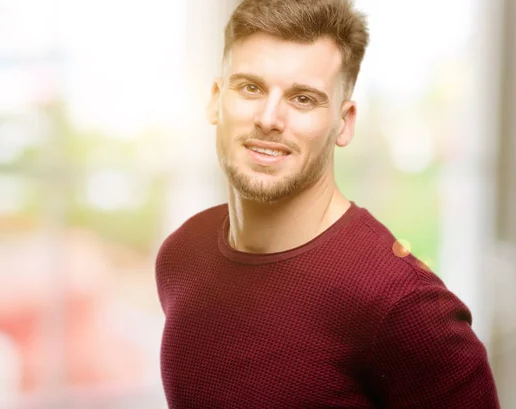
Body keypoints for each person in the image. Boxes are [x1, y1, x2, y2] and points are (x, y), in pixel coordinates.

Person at [155, 0, 500, 407]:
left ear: (345, 121)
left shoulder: (403, 306)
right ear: (216, 99)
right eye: (251, 87)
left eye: (303, 99)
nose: (268, 118)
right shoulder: (183, 254)